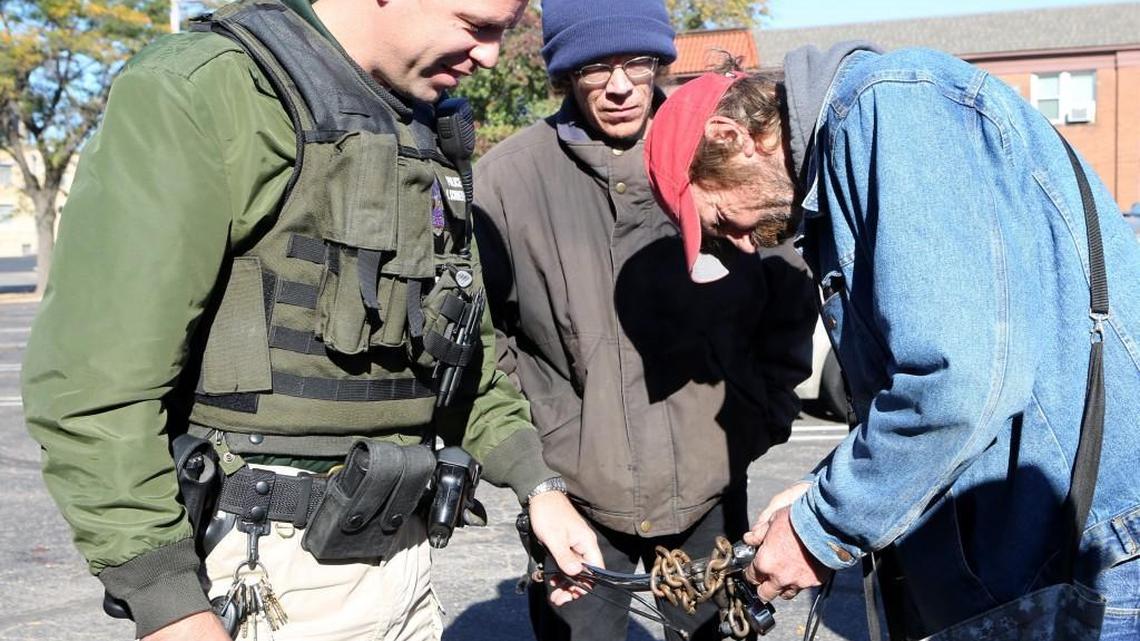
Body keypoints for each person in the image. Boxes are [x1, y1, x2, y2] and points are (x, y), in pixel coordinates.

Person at [20, 0, 603, 639]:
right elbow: (95, 384)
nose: (491, 54)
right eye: (475, 25)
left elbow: (463, 352)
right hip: (256, 575)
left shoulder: (423, 124)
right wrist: (167, 603)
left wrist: (536, 484)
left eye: (504, 31)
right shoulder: (215, 91)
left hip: (403, 567)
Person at [643, 44, 1140, 638]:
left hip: (1092, 552)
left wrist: (818, 528)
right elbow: (933, 378)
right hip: (1047, 550)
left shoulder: (895, 105)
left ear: (732, 137)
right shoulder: (862, 142)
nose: (745, 244)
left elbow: (955, 384)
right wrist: (824, 488)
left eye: (721, 219)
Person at [472, 2, 816, 639]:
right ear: (564, 73)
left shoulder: (720, 155)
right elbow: (484, 342)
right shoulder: (503, 184)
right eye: (596, 67)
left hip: (710, 491)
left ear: (660, 60)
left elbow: (791, 295)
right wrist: (538, 467)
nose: (623, 84)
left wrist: (760, 413)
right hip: (578, 502)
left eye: (637, 61)